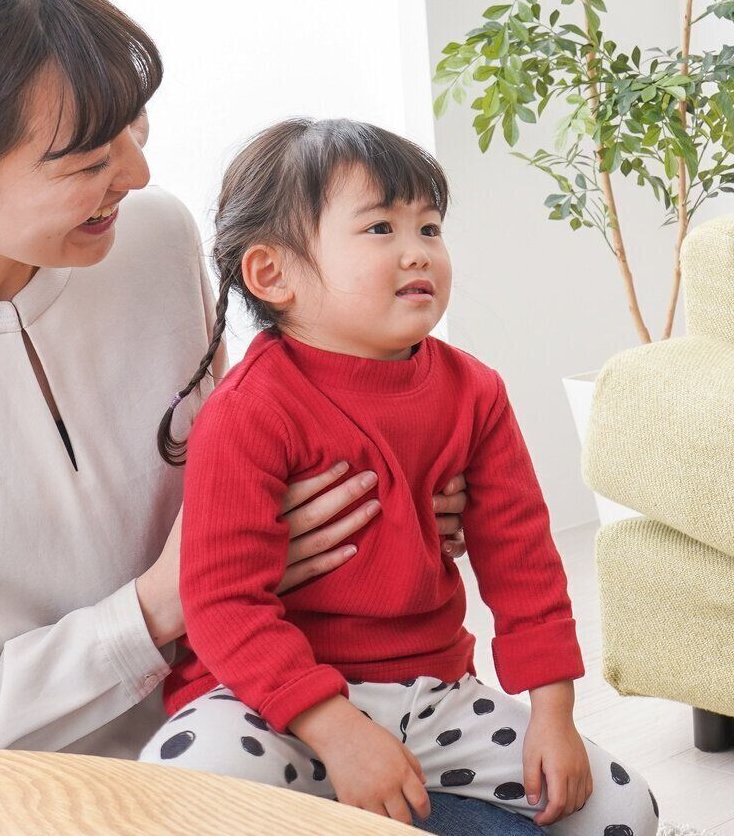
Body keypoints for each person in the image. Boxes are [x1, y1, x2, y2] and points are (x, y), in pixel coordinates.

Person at [0, 0, 538, 835]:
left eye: (133, 131)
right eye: (84, 162)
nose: (137, 176)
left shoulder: (146, 239)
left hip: (274, 709)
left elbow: (271, 446)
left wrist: (411, 490)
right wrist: (152, 611)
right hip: (35, 799)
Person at [138, 118, 655, 835]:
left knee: (623, 808)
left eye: (430, 228)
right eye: (380, 229)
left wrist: (553, 713)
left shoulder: (475, 391)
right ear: (272, 274)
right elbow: (225, 603)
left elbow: (523, 562)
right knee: (183, 783)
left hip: (431, 696)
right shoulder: (247, 411)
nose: (418, 252)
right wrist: (339, 732)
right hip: (269, 704)